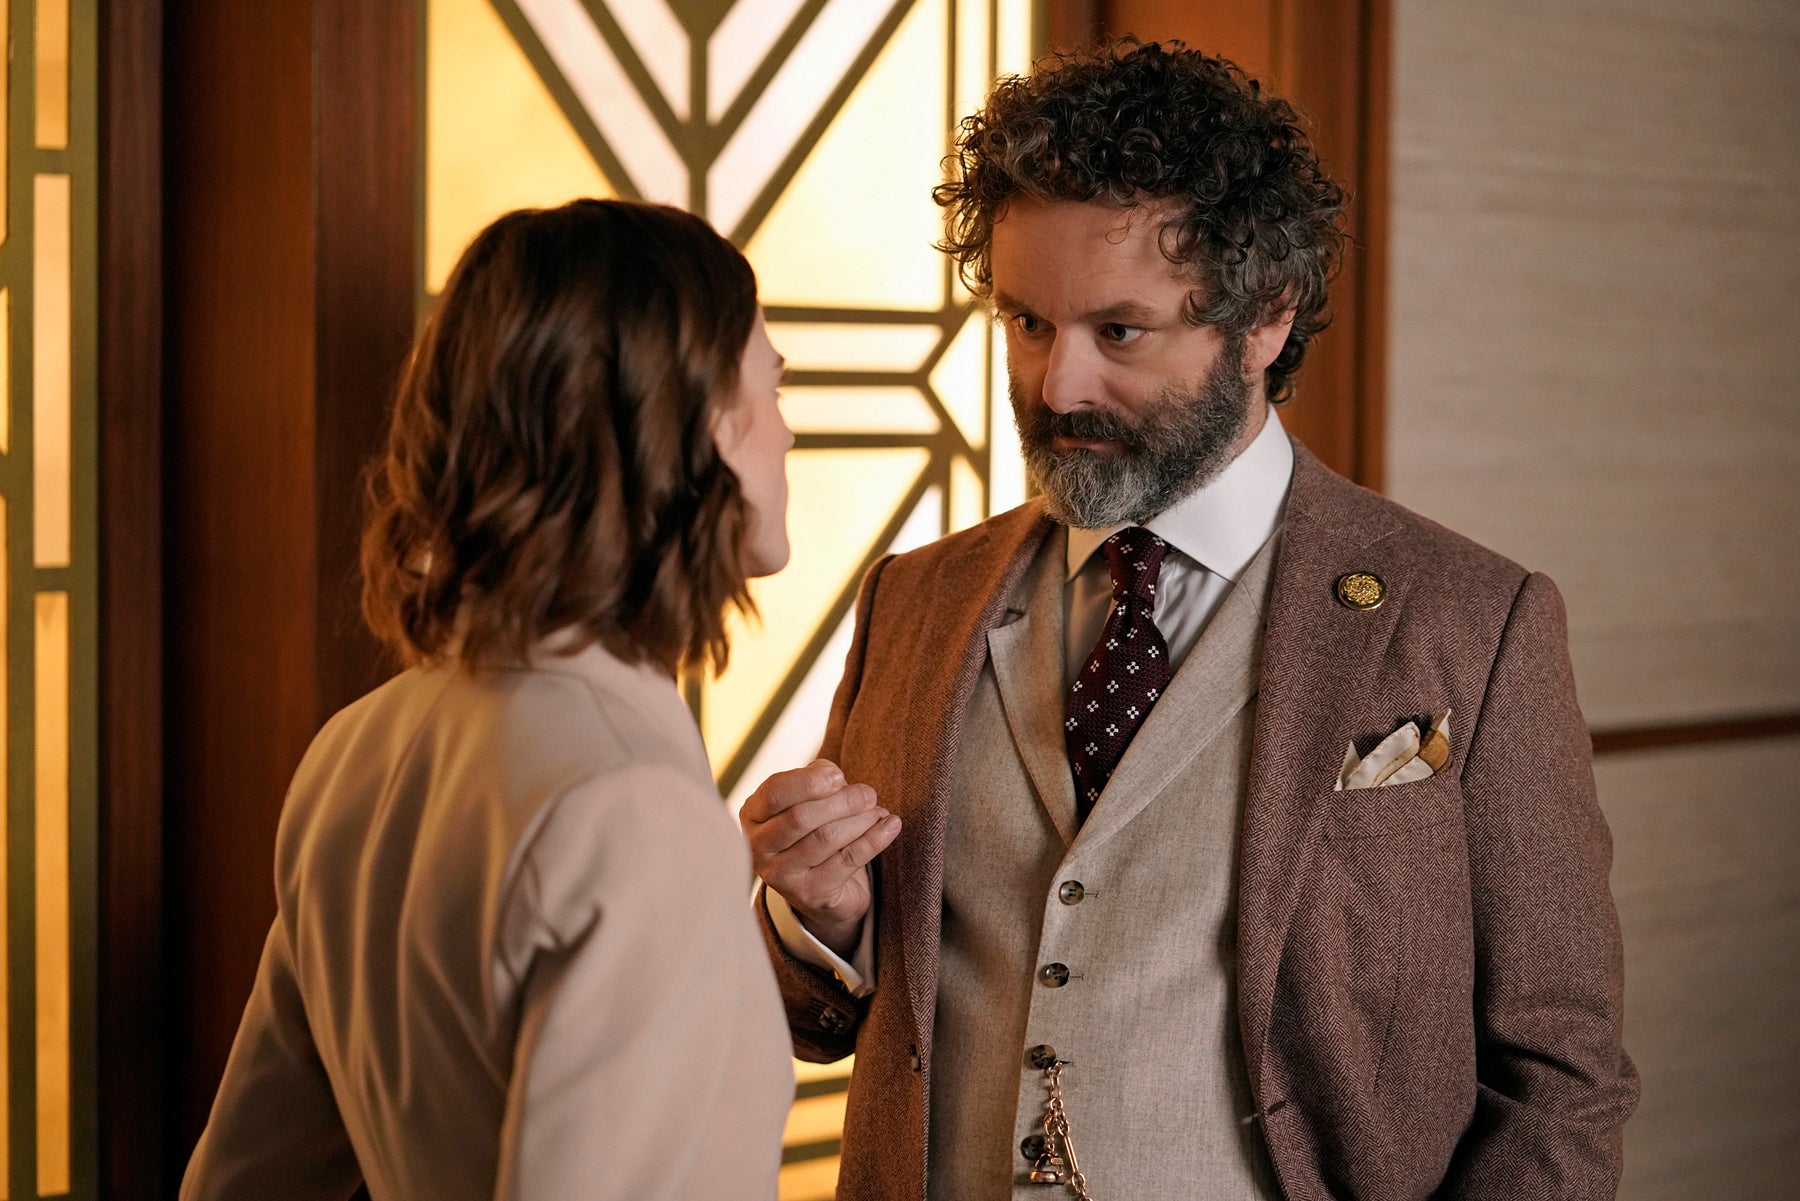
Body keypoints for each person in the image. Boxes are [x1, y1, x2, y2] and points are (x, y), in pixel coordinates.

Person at [741, 41, 1638, 1200]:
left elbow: (1561, 1077)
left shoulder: (1474, 620)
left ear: (1266, 318)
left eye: (1121, 333)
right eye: (1025, 322)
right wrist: (817, 916)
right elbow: (825, 1022)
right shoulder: (914, 598)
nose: (1059, 385)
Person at [183, 199, 797, 1200]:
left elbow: (244, 1179)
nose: (786, 431)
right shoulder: (636, 812)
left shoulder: (356, 748)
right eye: (773, 387)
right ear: (699, 426)